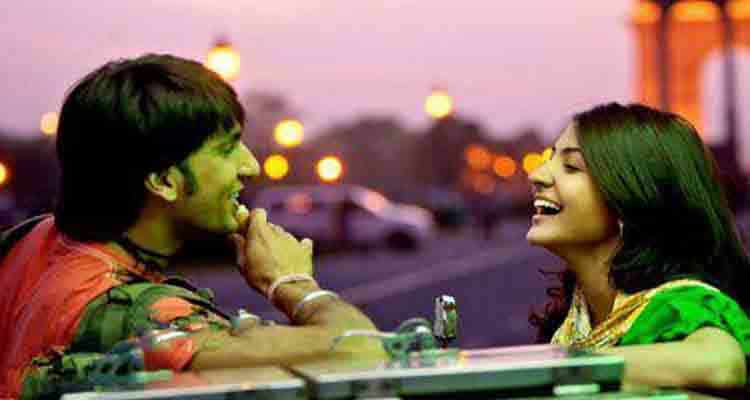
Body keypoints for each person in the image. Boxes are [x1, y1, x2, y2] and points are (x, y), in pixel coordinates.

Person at [0, 54, 382, 399]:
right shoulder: (142, 316)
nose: (251, 166)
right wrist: (293, 284)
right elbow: (360, 351)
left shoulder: (29, 238)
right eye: (227, 148)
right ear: (164, 181)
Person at [527, 102, 750, 390]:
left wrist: (557, 367)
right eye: (550, 158)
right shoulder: (574, 321)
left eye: (571, 167)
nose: (537, 175)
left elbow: (721, 364)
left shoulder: (679, 305)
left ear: (628, 198)